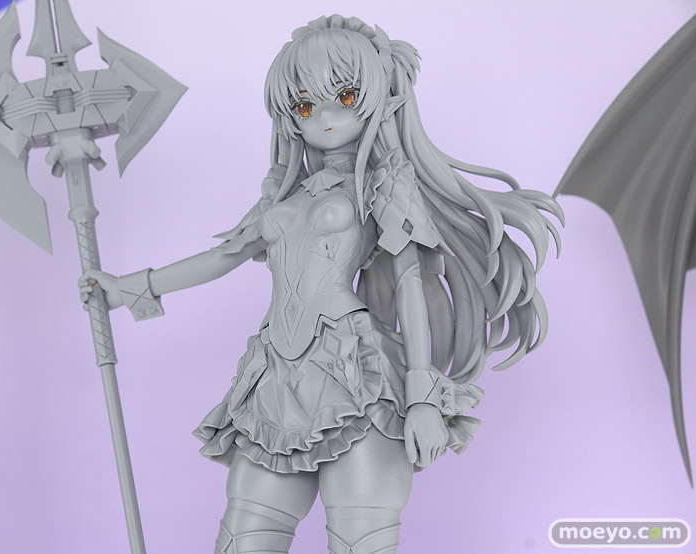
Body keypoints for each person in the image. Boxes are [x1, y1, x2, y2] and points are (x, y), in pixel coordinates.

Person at [80, 14, 562, 554]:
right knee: (242, 539)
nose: (325, 117)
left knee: (361, 541)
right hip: (276, 376)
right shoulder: (284, 193)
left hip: (353, 370)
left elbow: (409, 280)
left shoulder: (384, 183)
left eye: (345, 97)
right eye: (306, 106)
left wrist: (423, 396)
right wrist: (130, 288)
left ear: (376, 97)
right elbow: (224, 255)